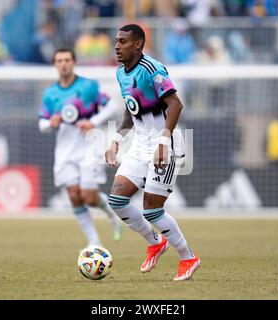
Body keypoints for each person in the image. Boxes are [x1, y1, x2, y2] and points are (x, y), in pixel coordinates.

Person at [105, 24, 200, 281]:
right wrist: (116, 140)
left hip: (165, 145)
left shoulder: (153, 69)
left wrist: (163, 141)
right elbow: (131, 108)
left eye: (123, 41)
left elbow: (176, 104)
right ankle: (155, 242)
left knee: (152, 210)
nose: (117, 45)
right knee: (117, 200)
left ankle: (188, 257)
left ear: (138, 44)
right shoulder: (121, 74)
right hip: (139, 145)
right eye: (116, 41)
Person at [38, 48, 122, 247]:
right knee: (74, 196)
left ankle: (112, 215)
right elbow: (42, 124)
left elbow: (112, 106)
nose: (63, 64)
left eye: (67, 60)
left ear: (74, 62)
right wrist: (52, 123)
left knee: (88, 197)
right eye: (59, 60)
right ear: (55, 65)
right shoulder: (50, 93)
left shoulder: (88, 86)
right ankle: (95, 242)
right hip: (65, 150)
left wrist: (93, 121)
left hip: (88, 148)